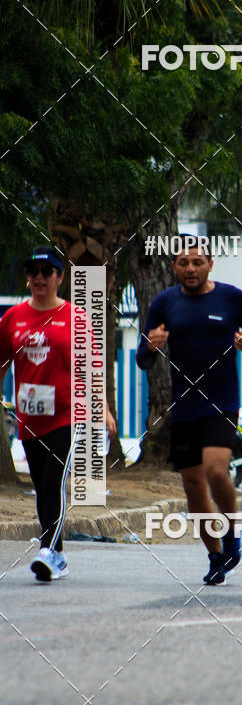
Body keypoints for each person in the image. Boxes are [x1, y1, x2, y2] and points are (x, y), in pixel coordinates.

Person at [136, 238, 242, 585]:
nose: (190, 268)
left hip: (221, 402)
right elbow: (142, 357)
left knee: (214, 470)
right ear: (174, 267)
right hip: (183, 407)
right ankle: (215, 556)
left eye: (197, 261)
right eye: (183, 263)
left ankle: (231, 533)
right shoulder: (165, 303)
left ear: (210, 264)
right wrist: (150, 347)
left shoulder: (232, 298)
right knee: (192, 485)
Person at [0, 246, 117, 581]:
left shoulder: (75, 318)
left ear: (59, 278)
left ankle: (46, 551)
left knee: (53, 479)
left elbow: (93, 368)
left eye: (46, 272)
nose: (39, 278)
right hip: (29, 415)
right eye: (33, 272)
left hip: (68, 413)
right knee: (42, 485)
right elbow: (2, 360)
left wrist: (103, 410)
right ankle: (59, 555)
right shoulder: (14, 318)